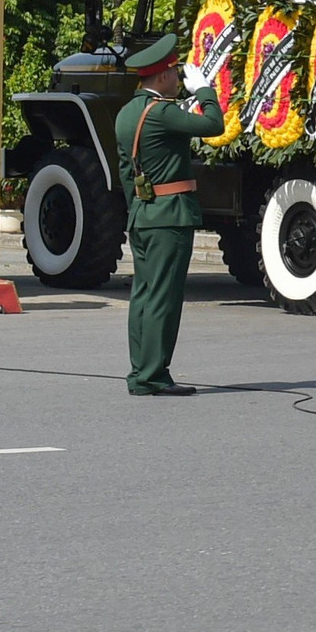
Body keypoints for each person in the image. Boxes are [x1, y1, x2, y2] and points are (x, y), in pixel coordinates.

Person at [115, 34, 224, 396]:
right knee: (163, 297)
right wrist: (206, 92)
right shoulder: (161, 112)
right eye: (175, 73)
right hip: (170, 217)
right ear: (161, 76)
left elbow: (126, 172)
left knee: (144, 296)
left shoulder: (128, 112)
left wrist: (139, 208)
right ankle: (154, 375)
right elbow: (213, 126)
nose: (179, 79)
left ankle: (140, 372)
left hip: (145, 214)